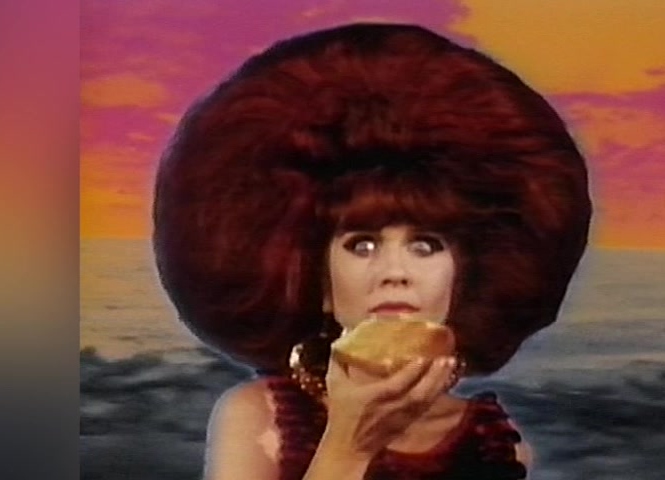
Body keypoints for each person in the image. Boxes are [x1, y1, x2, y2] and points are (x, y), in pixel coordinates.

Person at [152, 22, 591, 480]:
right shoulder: (258, 421)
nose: (395, 272)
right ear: (318, 283)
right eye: (362, 245)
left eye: (425, 246)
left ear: (465, 278)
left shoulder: (497, 445)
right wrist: (348, 444)